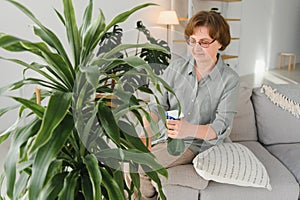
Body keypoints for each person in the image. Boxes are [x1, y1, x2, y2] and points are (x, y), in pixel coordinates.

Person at [132, 10, 240, 200]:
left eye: (204, 42)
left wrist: (188, 129)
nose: (197, 48)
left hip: (195, 144)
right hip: (165, 136)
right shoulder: (175, 68)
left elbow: (222, 126)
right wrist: (146, 133)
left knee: (141, 165)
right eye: (192, 41)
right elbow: (157, 105)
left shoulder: (229, 80)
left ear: (220, 43)